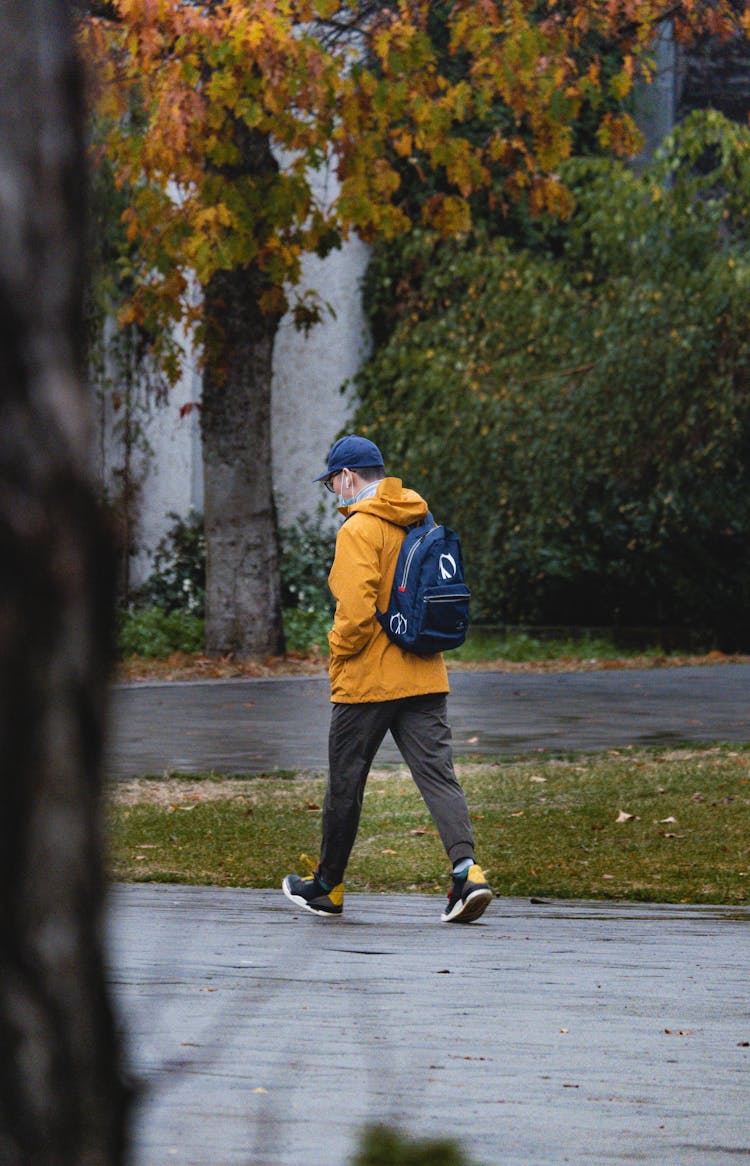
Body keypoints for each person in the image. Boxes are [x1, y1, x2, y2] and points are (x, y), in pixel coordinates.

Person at [282, 434, 492, 924]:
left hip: (368, 681)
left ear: (349, 477)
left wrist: (336, 651)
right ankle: (468, 874)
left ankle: (328, 888)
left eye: (334, 481)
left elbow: (355, 614)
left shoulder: (358, 530)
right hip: (424, 671)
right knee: (439, 775)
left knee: (345, 784)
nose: (334, 491)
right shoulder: (421, 516)